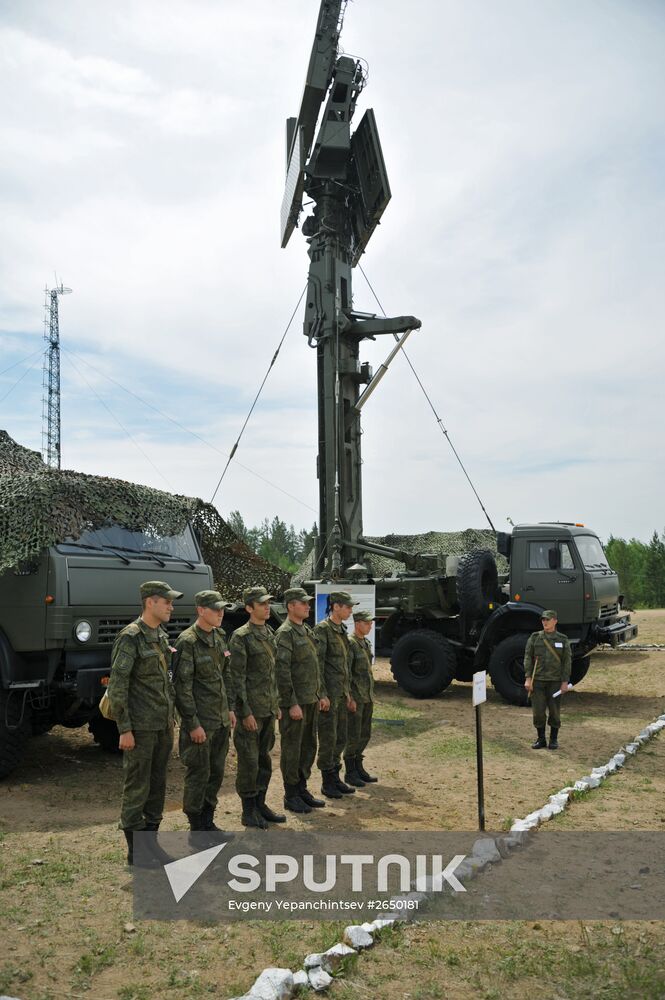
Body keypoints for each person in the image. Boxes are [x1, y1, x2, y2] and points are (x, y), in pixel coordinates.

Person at [107, 579, 182, 865]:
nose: (171, 607)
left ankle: (150, 844)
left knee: (157, 784)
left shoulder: (160, 636)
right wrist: (124, 728)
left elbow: (165, 682)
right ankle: (136, 851)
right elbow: (118, 686)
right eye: (167, 602)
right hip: (139, 727)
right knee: (137, 786)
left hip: (161, 724)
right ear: (150, 602)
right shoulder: (131, 637)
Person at [174, 590, 236, 834]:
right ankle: (196, 827)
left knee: (215, 774)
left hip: (219, 721)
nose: (221, 614)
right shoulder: (187, 641)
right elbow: (182, 688)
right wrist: (192, 724)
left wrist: (230, 708)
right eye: (216, 609)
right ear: (201, 610)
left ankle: (208, 822)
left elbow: (226, 674)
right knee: (199, 775)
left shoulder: (219, 637)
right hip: (201, 724)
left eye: (222, 609)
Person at [229, 586, 284, 829]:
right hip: (251, 712)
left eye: (268, 603)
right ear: (249, 608)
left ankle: (261, 804)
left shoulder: (269, 632)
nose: (267, 607)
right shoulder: (241, 637)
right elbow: (236, 678)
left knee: (264, 760)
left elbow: (272, 674)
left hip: (267, 709)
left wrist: (276, 703)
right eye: (261, 604)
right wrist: (245, 712)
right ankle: (248, 810)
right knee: (249, 762)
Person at [275, 587, 329, 814]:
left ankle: (302, 787)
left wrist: (320, 694)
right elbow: (282, 671)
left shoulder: (306, 630)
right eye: (303, 603)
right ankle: (291, 794)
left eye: (308, 603)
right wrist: (291, 703)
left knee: (308, 747)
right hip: (295, 703)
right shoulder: (285, 633)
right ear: (290, 606)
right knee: (292, 749)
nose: (308, 606)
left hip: (310, 699)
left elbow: (315, 668)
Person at [315, 590, 358, 799]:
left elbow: (344, 666)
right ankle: (327, 782)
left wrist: (348, 694)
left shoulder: (341, 629)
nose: (350, 610)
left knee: (340, 737)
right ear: (336, 606)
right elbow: (318, 665)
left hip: (341, 695)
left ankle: (335, 778)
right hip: (329, 697)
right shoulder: (322, 630)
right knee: (328, 739)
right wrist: (322, 694)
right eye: (348, 607)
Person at [524, 609, 572, 750]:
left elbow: (566, 661)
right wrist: (528, 678)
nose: (545, 622)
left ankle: (553, 739)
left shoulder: (562, 639)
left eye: (548, 619)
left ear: (555, 621)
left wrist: (564, 681)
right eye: (543, 620)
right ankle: (541, 739)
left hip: (555, 681)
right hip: (537, 680)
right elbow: (528, 657)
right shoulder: (535, 638)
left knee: (554, 711)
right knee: (538, 712)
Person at [344, 610, 378, 786]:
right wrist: (349, 697)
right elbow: (347, 672)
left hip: (367, 695)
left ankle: (358, 766)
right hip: (356, 696)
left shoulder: (365, 642)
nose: (370, 626)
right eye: (367, 623)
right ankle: (350, 772)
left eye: (370, 623)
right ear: (357, 624)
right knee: (354, 734)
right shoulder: (350, 643)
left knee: (365, 733)